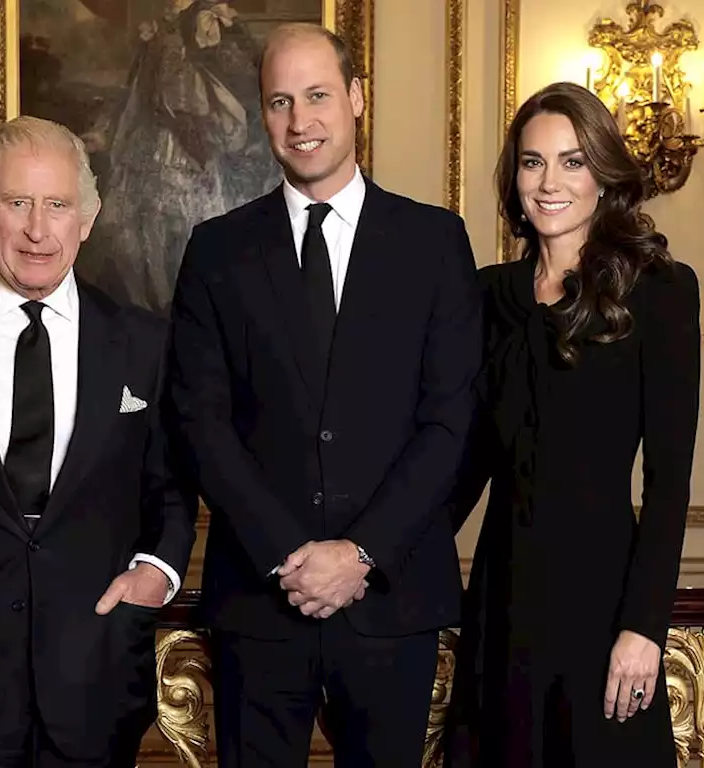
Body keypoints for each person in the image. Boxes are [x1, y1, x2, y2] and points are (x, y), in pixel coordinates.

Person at [166, 23, 483, 767]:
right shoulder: (218, 249)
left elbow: (450, 420)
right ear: (262, 114)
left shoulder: (435, 243)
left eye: (317, 96)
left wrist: (361, 553)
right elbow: (201, 422)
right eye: (280, 101)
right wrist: (289, 556)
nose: (300, 121)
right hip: (259, 604)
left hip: (392, 601)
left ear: (357, 99)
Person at [0, 115, 198, 767]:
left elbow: (169, 488)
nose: (37, 229)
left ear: (86, 218)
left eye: (57, 205)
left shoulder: (144, 342)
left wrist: (155, 574)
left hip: (97, 672)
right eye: (17, 203)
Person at [441, 81, 700, 767]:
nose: (549, 181)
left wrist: (643, 628)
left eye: (572, 161)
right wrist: (372, 555)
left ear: (604, 175)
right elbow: (463, 462)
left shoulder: (661, 290)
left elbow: (670, 482)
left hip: (604, 604)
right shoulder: (488, 294)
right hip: (502, 602)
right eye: (532, 162)